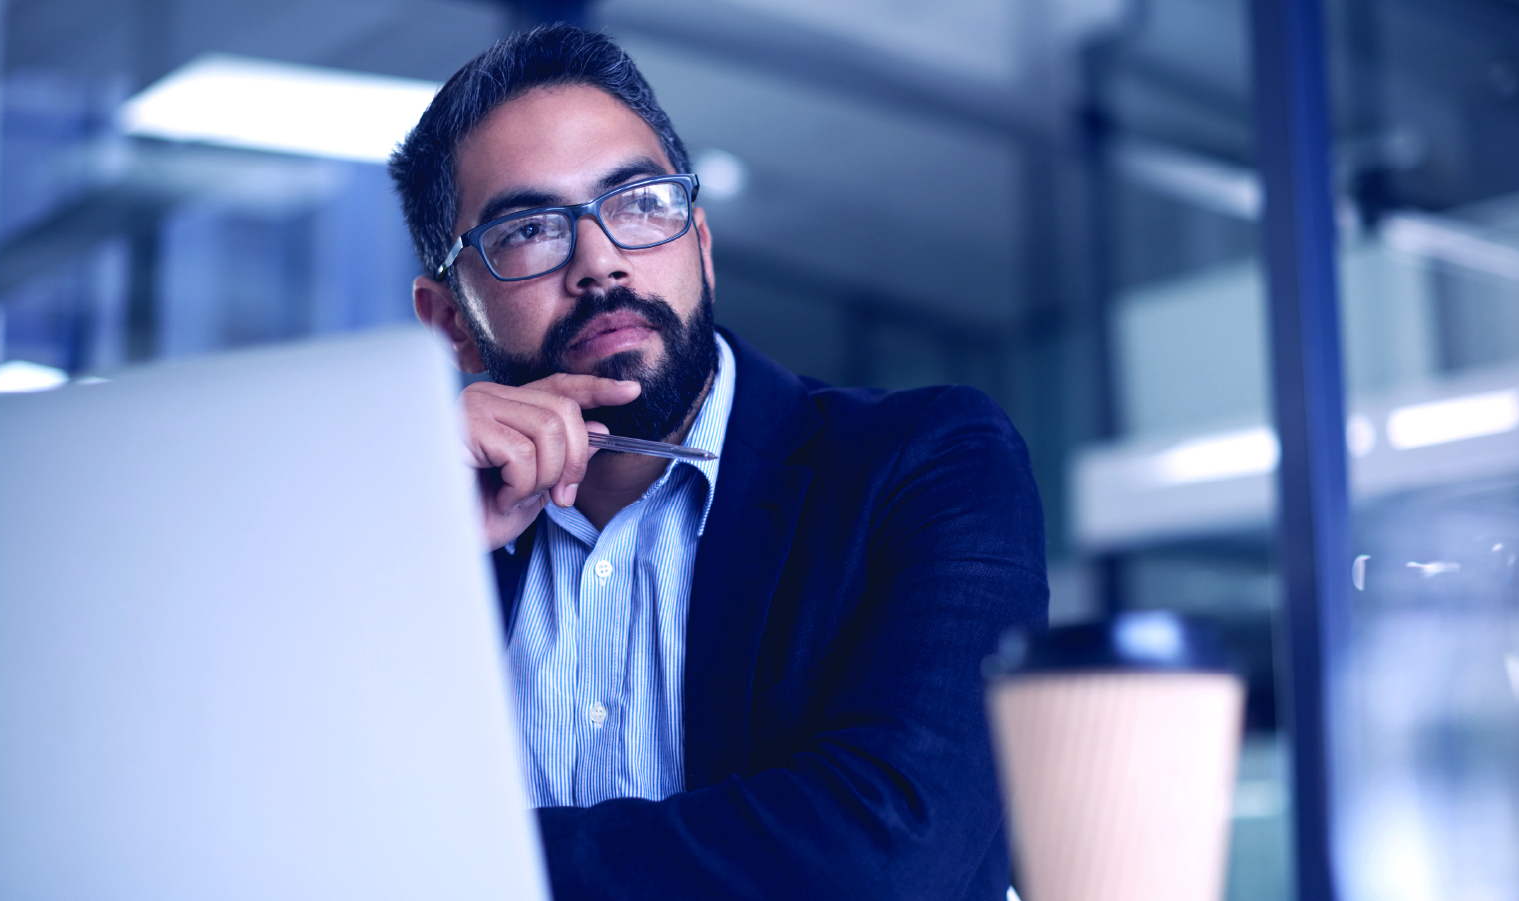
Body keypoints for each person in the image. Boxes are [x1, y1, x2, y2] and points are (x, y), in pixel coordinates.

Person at [389, 24, 1048, 900]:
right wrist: (414, 545)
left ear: (699, 242)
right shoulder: (409, 537)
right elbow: (280, 831)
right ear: (448, 322)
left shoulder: (928, 465)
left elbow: (887, 861)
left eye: (639, 203)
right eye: (530, 229)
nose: (601, 260)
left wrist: (446, 866)